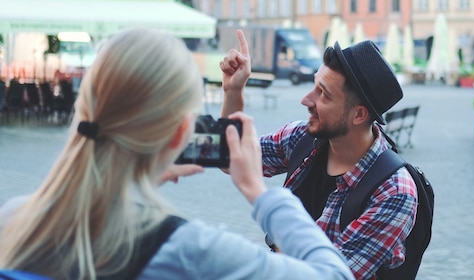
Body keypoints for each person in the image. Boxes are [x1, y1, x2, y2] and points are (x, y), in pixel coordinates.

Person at [0, 28, 354, 280]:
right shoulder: (188, 250)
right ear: (180, 135)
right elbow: (334, 274)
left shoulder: (16, 218)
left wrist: (140, 172)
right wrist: (260, 195)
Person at [220, 30, 418, 279]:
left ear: (358, 115)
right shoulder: (302, 138)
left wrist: (264, 204)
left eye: (323, 94)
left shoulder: (393, 192)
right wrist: (233, 92)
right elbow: (230, 158)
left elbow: (329, 276)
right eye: (314, 86)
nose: (306, 99)